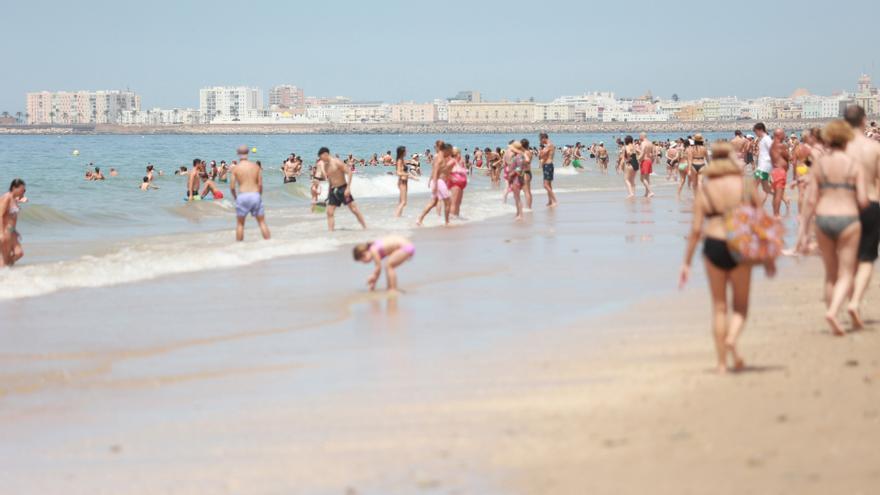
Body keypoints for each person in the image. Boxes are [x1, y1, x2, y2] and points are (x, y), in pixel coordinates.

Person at [679, 143, 776, 373]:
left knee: (719, 307)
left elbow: (694, 230)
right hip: (739, 243)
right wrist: (769, 257)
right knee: (740, 307)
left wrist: (686, 262)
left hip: (713, 243)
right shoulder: (745, 185)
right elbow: (761, 222)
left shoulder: (706, 189)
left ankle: (722, 363)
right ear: (733, 160)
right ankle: (732, 338)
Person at [796, 120, 868, 336]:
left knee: (830, 274)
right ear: (846, 139)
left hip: (824, 218)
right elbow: (863, 200)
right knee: (846, 272)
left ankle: (830, 312)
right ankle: (836, 312)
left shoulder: (820, 164)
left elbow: (811, 201)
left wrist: (803, 231)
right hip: (847, 218)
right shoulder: (854, 164)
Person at [843, 105, 880, 328]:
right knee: (867, 258)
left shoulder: (840, 148)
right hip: (870, 203)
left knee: (848, 259)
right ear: (864, 120)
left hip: (845, 205)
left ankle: (848, 299)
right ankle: (855, 302)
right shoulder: (873, 147)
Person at [318, 147, 367, 231]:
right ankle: (331, 232)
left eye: (321, 157)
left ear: (326, 154)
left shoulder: (337, 162)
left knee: (354, 210)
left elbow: (349, 173)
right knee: (329, 212)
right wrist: (329, 193)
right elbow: (330, 179)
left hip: (343, 189)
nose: (321, 159)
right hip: (333, 191)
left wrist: (348, 188)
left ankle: (365, 227)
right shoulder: (326, 165)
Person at [230, 145, 271, 241]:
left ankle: (239, 247)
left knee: (240, 225)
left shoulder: (236, 168)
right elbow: (260, 184)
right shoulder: (255, 167)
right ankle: (270, 244)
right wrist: (258, 196)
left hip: (242, 196)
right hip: (255, 195)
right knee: (262, 223)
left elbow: (232, 187)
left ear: (237, 153)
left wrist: (236, 198)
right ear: (248, 153)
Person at [417, 141, 452, 226]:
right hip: (438, 182)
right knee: (448, 201)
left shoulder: (440, 156)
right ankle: (447, 222)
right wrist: (435, 184)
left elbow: (435, 170)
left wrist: (430, 181)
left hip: (437, 181)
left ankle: (420, 219)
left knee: (434, 202)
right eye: (450, 151)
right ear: (446, 149)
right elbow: (435, 170)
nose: (450, 153)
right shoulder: (439, 156)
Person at [0, 179, 27, 267]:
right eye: (22, 190)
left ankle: (8, 273)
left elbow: (11, 218)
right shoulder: (7, 197)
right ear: (14, 188)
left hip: (11, 232)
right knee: (5, 258)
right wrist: (1, 233)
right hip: (4, 232)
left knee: (19, 253)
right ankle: (4, 275)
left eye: (24, 190)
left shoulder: (14, 199)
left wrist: (15, 231)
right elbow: (0, 215)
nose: (23, 192)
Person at [770, 128, 792, 217]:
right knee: (779, 194)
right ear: (779, 135)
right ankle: (777, 215)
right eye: (783, 134)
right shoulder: (780, 145)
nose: (785, 136)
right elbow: (789, 157)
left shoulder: (773, 145)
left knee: (776, 194)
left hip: (775, 171)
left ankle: (775, 213)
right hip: (780, 171)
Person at [504, 141, 526, 220]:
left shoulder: (519, 157)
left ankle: (520, 214)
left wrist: (511, 174)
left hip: (517, 179)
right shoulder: (518, 156)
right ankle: (518, 213)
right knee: (516, 197)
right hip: (515, 179)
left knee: (517, 198)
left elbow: (519, 169)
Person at [753, 123, 774, 202]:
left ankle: (754, 206)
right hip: (762, 166)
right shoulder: (763, 139)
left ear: (760, 130)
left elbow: (772, 151)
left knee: (753, 186)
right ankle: (783, 198)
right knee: (766, 189)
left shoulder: (766, 139)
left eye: (756, 132)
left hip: (764, 167)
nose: (755, 134)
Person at [538, 133, 558, 207]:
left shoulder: (549, 145)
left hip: (548, 165)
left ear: (543, 138)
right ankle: (550, 201)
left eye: (540, 139)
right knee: (549, 185)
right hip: (548, 165)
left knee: (545, 185)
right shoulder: (550, 145)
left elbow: (540, 156)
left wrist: (540, 149)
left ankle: (555, 201)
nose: (540, 141)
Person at [448, 147, 468, 218]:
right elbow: (444, 170)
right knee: (454, 202)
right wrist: (451, 177)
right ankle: (452, 219)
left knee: (458, 202)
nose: (460, 155)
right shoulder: (451, 161)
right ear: (455, 154)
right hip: (455, 184)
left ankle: (457, 217)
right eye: (459, 154)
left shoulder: (459, 162)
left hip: (460, 184)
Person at [637, 132, 656, 198]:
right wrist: (652, 161)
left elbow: (642, 154)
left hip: (644, 161)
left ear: (642, 136)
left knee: (642, 179)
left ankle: (650, 192)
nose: (639, 137)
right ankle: (647, 193)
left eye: (639, 136)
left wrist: (637, 160)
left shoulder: (643, 143)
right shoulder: (650, 143)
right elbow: (653, 154)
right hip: (649, 161)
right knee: (647, 178)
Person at [394, 146, 410, 217]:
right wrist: (409, 175)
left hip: (404, 182)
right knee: (403, 202)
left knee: (402, 202)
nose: (407, 152)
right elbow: (398, 172)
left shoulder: (402, 160)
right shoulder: (400, 160)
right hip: (402, 182)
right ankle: (396, 217)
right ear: (402, 152)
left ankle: (398, 216)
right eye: (406, 151)